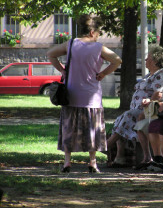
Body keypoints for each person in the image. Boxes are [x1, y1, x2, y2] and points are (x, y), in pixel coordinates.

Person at [47, 14, 122, 173]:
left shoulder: (71, 44)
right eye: (98, 32)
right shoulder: (98, 47)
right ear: (92, 32)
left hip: (71, 94)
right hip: (91, 96)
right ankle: (93, 162)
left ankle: (67, 161)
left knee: (69, 127)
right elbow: (117, 60)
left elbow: (51, 54)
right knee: (92, 129)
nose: (98, 35)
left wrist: (62, 70)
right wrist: (103, 74)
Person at [106, 45, 163, 167]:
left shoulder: (162, 74)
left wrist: (148, 102)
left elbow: (159, 93)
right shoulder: (150, 75)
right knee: (121, 119)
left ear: (155, 61)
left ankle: (107, 145)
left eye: (148, 58)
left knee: (127, 116)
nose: (145, 60)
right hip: (138, 110)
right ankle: (120, 157)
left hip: (150, 110)